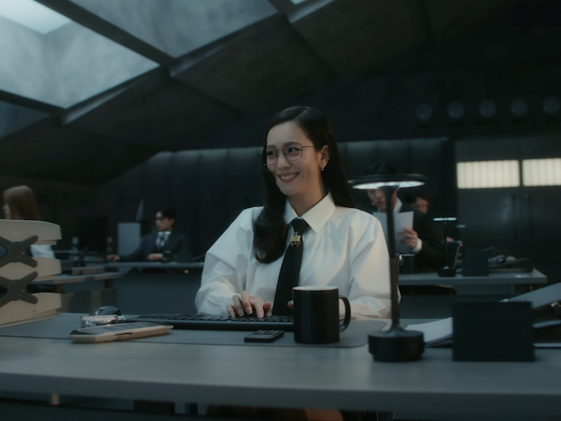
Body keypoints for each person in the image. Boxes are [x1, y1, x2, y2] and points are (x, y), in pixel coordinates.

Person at [196, 106, 391, 319]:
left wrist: (328, 308)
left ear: (323, 156)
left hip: (328, 339)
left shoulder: (361, 226)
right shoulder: (249, 222)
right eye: (272, 153)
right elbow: (210, 291)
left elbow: (378, 303)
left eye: (292, 150)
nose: (281, 164)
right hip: (253, 340)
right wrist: (234, 303)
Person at [364, 162, 445, 272]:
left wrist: (417, 245)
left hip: (412, 278)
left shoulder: (419, 218)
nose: (378, 196)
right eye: (371, 191)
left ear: (396, 188)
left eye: (382, 189)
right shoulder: (366, 219)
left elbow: (441, 259)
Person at [106, 208, 189, 262]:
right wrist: (119, 257)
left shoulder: (180, 238)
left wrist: (163, 256)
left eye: (161, 219)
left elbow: (184, 257)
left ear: (171, 220)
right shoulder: (149, 238)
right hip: (149, 274)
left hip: (172, 276)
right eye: (156, 219)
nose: (158, 222)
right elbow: (136, 255)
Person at [2, 185, 54, 258]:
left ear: (16, 207)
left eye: (7, 204)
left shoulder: (36, 235)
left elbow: (47, 261)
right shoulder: (7, 234)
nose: (4, 208)